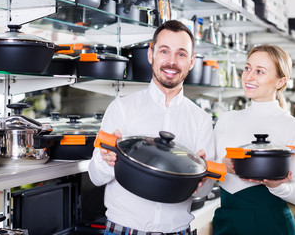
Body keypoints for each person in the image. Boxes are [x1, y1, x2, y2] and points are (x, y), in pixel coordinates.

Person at [88, 20, 216, 235]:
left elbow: (203, 191)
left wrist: (202, 179)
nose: (172, 62)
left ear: (192, 61)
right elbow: (96, 177)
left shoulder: (201, 119)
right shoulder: (122, 107)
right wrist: (105, 159)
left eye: (181, 54)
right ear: (151, 54)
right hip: (123, 230)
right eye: (164, 51)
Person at [212, 44, 295, 235]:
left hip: (270, 223)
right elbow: (212, 170)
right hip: (227, 220)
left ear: (280, 81)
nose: (249, 77)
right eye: (248, 68)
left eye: (260, 71)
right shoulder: (227, 119)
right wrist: (222, 166)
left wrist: (277, 186)